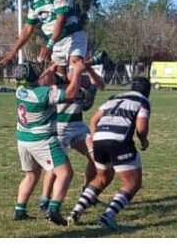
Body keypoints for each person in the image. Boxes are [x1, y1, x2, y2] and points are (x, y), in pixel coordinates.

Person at [12, 62, 94, 226]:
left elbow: (39, 83)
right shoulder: (44, 94)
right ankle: (54, 210)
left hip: (23, 138)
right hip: (42, 140)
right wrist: (77, 72)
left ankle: (19, 210)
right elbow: (70, 94)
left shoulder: (20, 91)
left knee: (31, 175)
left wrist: (50, 69)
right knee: (65, 173)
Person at [67, 77, 151, 230]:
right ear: (147, 91)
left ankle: (75, 212)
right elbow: (141, 128)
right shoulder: (143, 101)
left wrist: (94, 137)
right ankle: (108, 216)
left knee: (102, 177)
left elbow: (93, 120)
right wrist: (144, 141)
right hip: (119, 141)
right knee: (132, 183)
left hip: (99, 139)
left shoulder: (114, 97)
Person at [0, 0, 88, 97]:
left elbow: (61, 20)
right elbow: (28, 29)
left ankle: (90, 86)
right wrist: (13, 52)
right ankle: (65, 111)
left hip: (72, 37)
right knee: (58, 80)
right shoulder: (35, 3)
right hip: (56, 42)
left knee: (72, 73)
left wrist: (49, 45)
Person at [38, 63, 105, 213]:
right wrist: (51, 67)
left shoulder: (85, 82)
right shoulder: (59, 81)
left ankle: (88, 192)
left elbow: (101, 85)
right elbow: (42, 81)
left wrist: (89, 69)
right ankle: (45, 199)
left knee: (96, 157)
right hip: (59, 127)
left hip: (78, 126)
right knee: (54, 167)